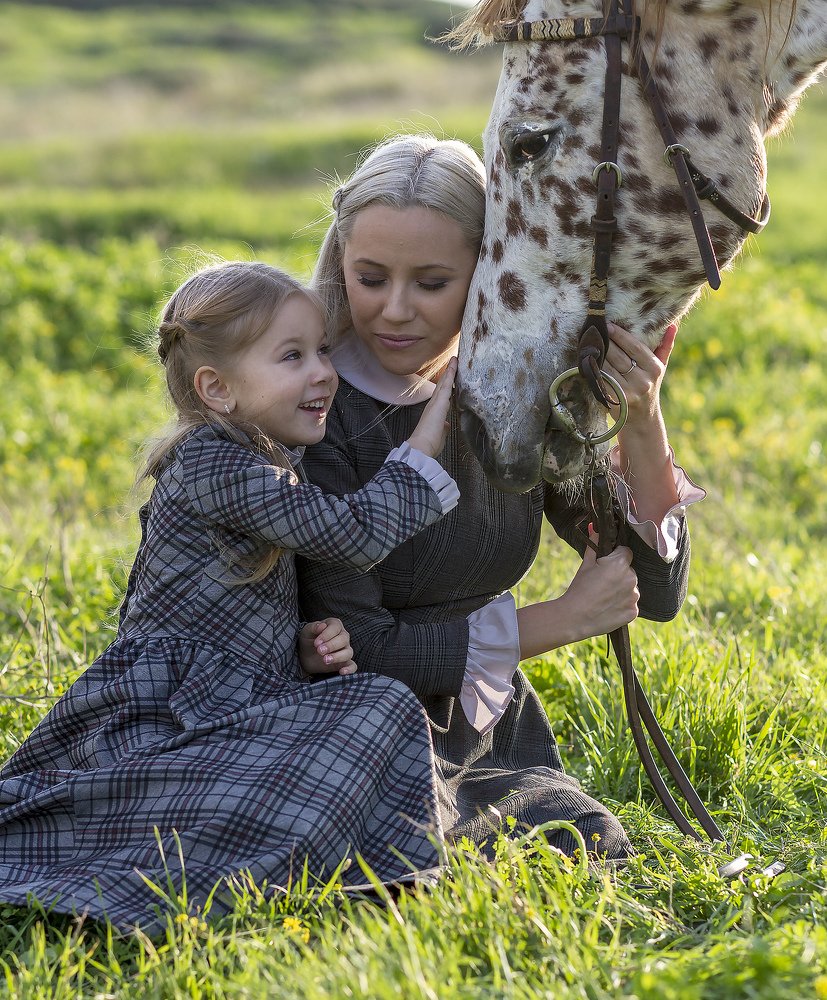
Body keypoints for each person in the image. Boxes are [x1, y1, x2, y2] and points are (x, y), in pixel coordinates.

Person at [0, 260, 461, 929]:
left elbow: (224, 618)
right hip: (166, 722)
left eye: (322, 350)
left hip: (229, 705)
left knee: (376, 706)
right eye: (292, 356)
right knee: (377, 707)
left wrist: (295, 652)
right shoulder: (210, 460)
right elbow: (354, 535)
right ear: (215, 389)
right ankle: (228, 869)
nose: (323, 373)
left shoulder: (258, 462)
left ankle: (338, 872)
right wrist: (426, 439)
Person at [299, 135, 704, 860]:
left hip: (485, 731)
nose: (394, 310)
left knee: (577, 841)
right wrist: (560, 619)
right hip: (345, 723)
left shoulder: (509, 390)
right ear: (341, 265)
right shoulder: (315, 412)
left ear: (490, 272)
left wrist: (642, 419)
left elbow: (653, 590)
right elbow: (359, 648)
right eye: (370, 278)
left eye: (431, 283)